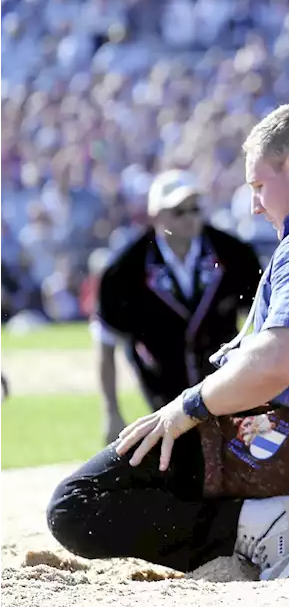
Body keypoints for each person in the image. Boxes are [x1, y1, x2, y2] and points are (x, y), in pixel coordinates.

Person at [46, 103, 289, 580]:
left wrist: (185, 408)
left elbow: (277, 361)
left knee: (78, 505)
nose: (254, 205)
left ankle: (268, 521)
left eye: (258, 186)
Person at [92, 170, 264, 443]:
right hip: (161, 391)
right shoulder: (125, 270)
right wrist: (111, 410)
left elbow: (263, 319)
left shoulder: (234, 253)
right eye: (178, 211)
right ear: (156, 215)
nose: (189, 218)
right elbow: (106, 342)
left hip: (225, 387)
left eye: (195, 209)